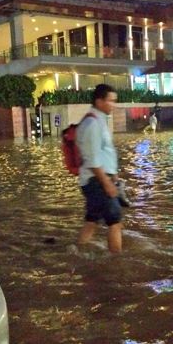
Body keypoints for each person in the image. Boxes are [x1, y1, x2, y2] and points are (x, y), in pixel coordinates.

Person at [76, 84, 123, 253]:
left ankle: (76, 253)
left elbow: (103, 154)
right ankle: (117, 262)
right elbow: (93, 160)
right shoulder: (92, 124)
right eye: (110, 101)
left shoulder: (98, 120)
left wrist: (114, 177)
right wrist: (107, 184)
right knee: (115, 222)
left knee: (92, 221)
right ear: (99, 101)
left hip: (97, 180)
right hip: (96, 181)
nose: (113, 105)